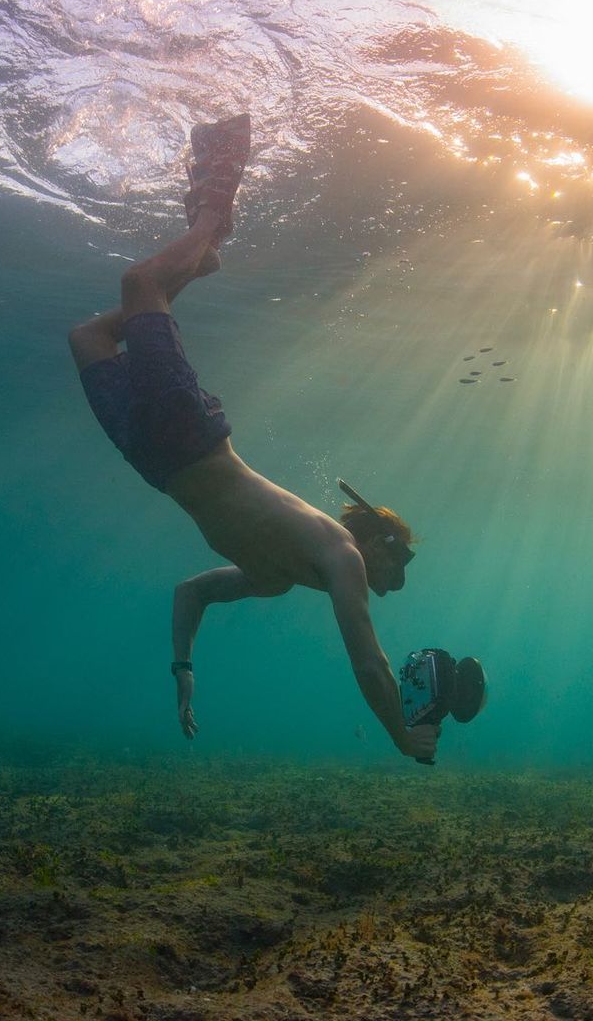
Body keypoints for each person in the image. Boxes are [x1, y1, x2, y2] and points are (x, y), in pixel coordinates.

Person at [67, 114, 439, 763]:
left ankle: (200, 261)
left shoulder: (273, 579)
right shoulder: (341, 557)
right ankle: (212, 220)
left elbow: (194, 591)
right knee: (139, 285)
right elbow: (371, 666)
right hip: (191, 436)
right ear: (375, 541)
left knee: (88, 338)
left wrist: (183, 669)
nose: (394, 578)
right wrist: (401, 735)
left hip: (154, 460)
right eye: (398, 560)